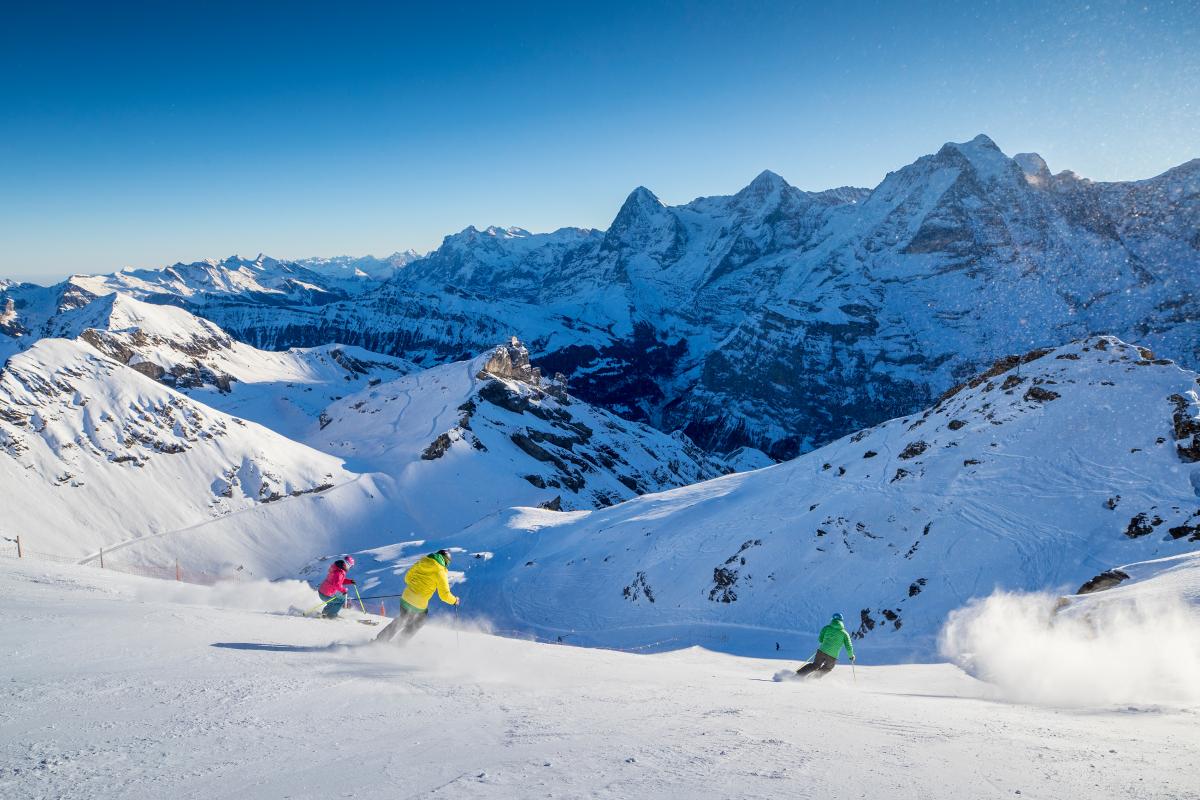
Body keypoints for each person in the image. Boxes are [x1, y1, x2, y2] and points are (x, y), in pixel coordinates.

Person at [375, 549, 459, 644]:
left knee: (402, 619)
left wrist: (415, 587)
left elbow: (407, 578)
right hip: (419, 604)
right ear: (445, 561)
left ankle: (380, 640)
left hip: (406, 598)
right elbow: (444, 595)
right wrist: (454, 600)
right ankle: (399, 643)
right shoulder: (440, 572)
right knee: (419, 621)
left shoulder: (421, 562)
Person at [796, 612, 855, 678]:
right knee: (827, 668)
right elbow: (848, 646)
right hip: (833, 656)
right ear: (841, 620)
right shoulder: (845, 633)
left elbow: (820, 639)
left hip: (822, 651)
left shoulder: (826, 628)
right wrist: (851, 656)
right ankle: (812, 679)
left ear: (832, 619)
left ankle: (798, 675)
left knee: (815, 665)